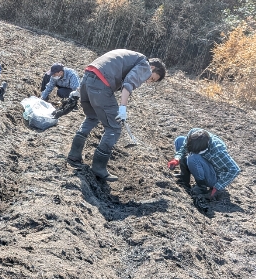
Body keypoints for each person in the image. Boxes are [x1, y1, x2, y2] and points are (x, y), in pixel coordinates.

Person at [66, 49, 166, 181]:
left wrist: (79, 91)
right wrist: (123, 107)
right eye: (152, 78)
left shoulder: (129, 56)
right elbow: (128, 83)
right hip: (100, 84)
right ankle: (98, 167)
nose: (148, 81)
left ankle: (74, 155)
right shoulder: (145, 65)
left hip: (87, 78)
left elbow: (97, 70)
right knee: (114, 127)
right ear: (152, 68)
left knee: (92, 117)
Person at [167, 128, 240, 200]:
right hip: (200, 162)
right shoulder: (193, 133)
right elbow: (184, 147)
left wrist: (217, 187)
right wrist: (177, 159)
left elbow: (235, 169)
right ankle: (184, 178)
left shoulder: (218, 151)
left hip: (213, 175)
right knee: (179, 140)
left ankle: (201, 187)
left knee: (193, 157)